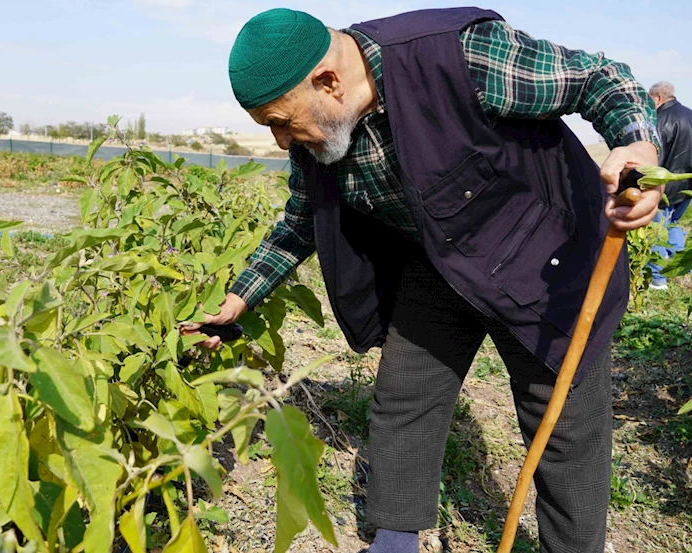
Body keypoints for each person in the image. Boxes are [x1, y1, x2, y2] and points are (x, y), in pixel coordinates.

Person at [183, 7, 662, 553]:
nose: (280, 142)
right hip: (440, 261)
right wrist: (242, 295)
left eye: (280, 121)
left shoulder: (459, 58)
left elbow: (601, 79)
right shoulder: (319, 135)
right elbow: (300, 219)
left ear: (330, 81)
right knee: (405, 397)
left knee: (563, 432)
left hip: (545, 262)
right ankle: (394, 542)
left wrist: (639, 145)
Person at [646, 81, 692, 290]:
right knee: (673, 224)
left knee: (656, 231)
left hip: (666, 186)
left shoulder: (659, 120)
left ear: (658, 98)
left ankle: (658, 278)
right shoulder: (690, 114)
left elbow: (655, 156)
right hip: (688, 185)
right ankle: (682, 270)